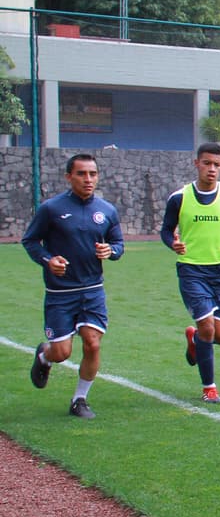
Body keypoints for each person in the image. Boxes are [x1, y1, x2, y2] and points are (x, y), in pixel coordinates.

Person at [23, 154, 124, 419]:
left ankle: (79, 400)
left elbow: (118, 244)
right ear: (69, 177)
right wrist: (48, 260)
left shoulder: (107, 211)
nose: (88, 179)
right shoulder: (51, 209)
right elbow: (30, 241)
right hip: (60, 294)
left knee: (92, 344)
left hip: (92, 291)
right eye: (81, 173)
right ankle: (44, 356)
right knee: (61, 353)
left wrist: (110, 250)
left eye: (93, 173)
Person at [160, 143, 220, 404]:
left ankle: (194, 340)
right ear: (196, 164)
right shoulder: (179, 198)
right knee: (208, 328)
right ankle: (209, 388)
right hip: (192, 270)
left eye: (216, 165)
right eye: (207, 163)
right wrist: (172, 243)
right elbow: (166, 230)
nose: (211, 169)